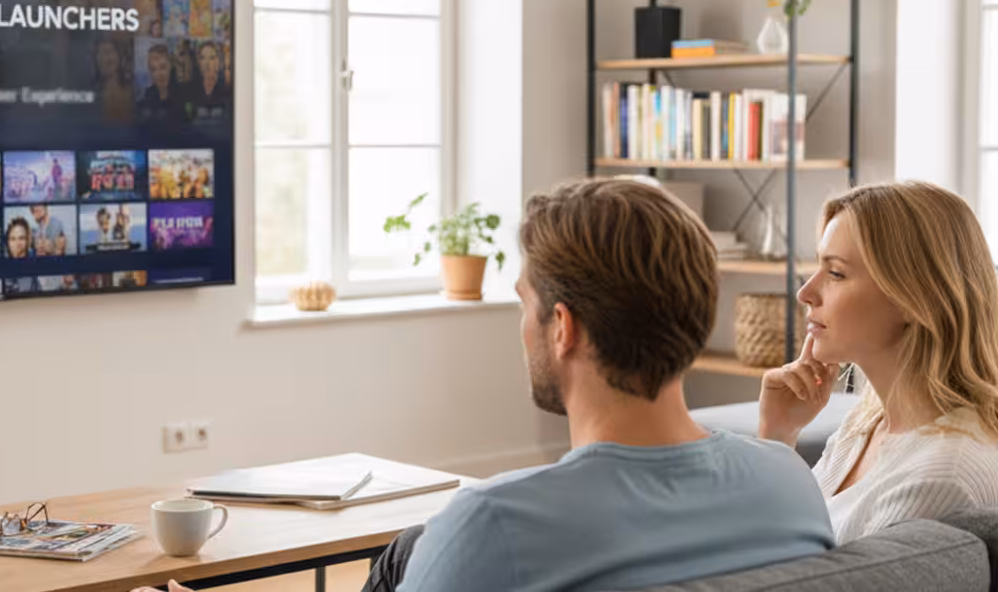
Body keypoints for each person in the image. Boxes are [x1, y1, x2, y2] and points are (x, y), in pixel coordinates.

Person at [140, 179, 834, 592]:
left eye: (522, 303)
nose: (521, 328)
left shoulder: (493, 528)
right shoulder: (788, 486)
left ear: (563, 328)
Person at [758, 181, 998, 544]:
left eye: (836, 273)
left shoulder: (940, 477)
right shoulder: (869, 423)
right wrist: (778, 436)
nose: (805, 292)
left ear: (913, 298)